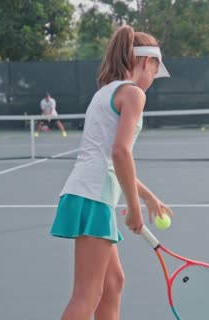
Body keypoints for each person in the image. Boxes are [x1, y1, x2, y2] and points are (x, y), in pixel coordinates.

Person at [50, 25, 173, 320]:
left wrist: (148, 197)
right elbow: (120, 153)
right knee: (87, 295)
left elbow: (111, 159)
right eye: (155, 72)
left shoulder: (105, 92)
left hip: (87, 192)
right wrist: (133, 207)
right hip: (94, 196)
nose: (154, 79)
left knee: (113, 284)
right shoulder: (133, 94)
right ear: (146, 63)